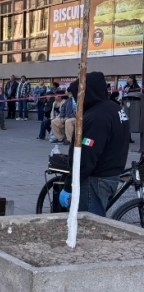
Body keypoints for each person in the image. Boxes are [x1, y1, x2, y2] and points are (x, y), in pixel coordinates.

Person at [59, 72, 128, 217]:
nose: (76, 100)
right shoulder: (115, 109)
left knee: (89, 223)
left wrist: (69, 185)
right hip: (111, 173)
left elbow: (87, 155)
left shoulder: (96, 117)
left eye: (78, 95)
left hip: (95, 178)